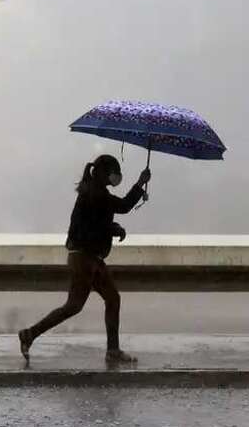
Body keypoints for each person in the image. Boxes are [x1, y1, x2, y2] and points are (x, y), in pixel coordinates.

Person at [17, 154, 151, 365]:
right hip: (84, 259)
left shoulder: (93, 193)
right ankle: (29, 334)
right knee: (74, 306)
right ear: (105, 173)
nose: (117, 176)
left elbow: (98, 222)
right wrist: (140, 184)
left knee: (112, 298)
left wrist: (112, 228)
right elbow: (121, 207)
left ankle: (113, 350)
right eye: (114, 172)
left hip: (91, 258)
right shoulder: (96, 195)